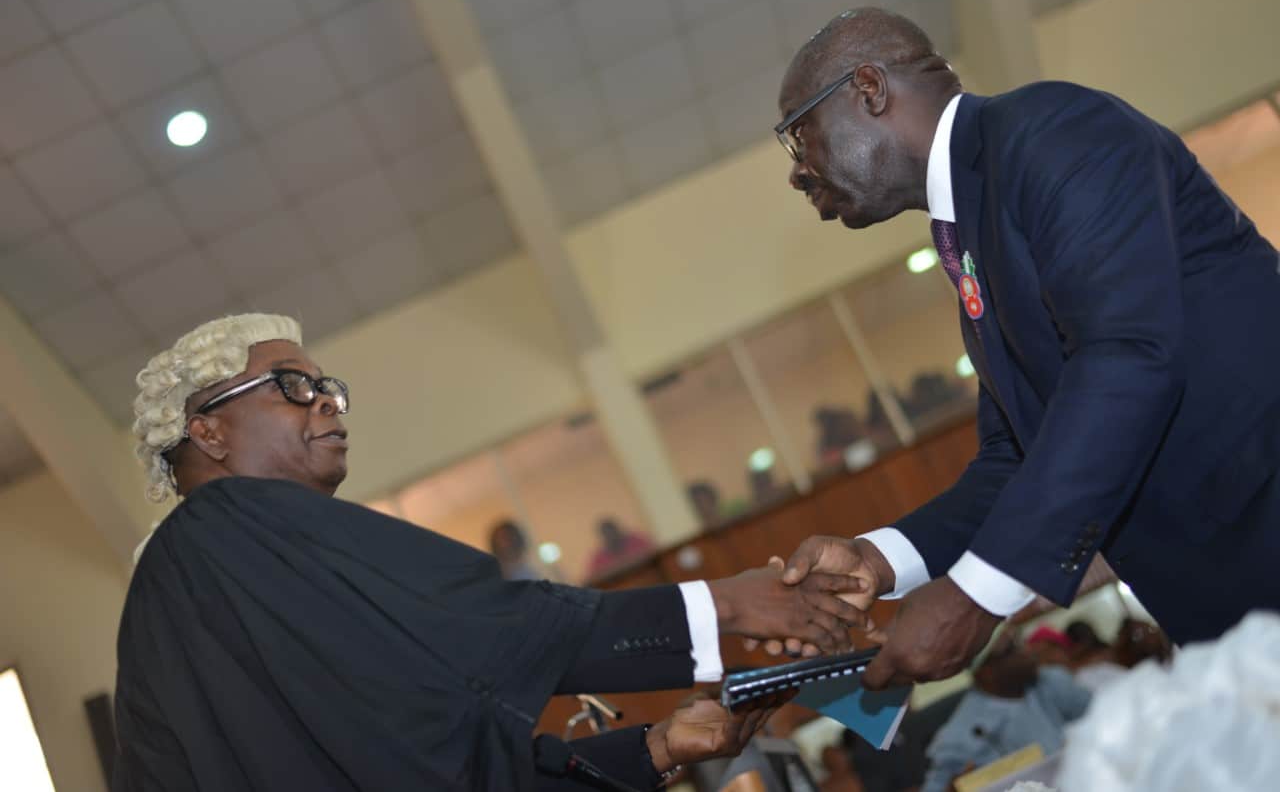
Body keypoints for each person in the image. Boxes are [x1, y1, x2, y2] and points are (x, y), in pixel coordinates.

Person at [112, 314, 870, 791]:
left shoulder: (199, 590)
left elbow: (437, 761)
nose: (327, 402)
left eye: (328, 387)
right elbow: (481, 625)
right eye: (290, 386)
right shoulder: (225, 526)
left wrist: (658, 747)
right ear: (207, 432)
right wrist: (725, 604)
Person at [768, 6, 1280, 686]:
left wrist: (980, 592)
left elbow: (1127, 354)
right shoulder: (971, 227)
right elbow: (1015, 456)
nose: (798, 173)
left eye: (799, 135)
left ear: (870, 88)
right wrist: (879, 559)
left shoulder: (1053, 131)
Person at [919, 630, 1091, 792]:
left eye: (1020, 640)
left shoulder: (1048, 681)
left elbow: (1098, 718)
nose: (1028, 651)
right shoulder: (958, 737)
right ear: (984, 672)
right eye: (1011, 649)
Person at [584, 517, 656, 581]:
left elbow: (654, 557)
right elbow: (593, 581)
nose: (611, 536)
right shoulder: (599, 561)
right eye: (607, 534)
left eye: (612, 532)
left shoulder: (637, 542)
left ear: (618, 530)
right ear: (603, 537)